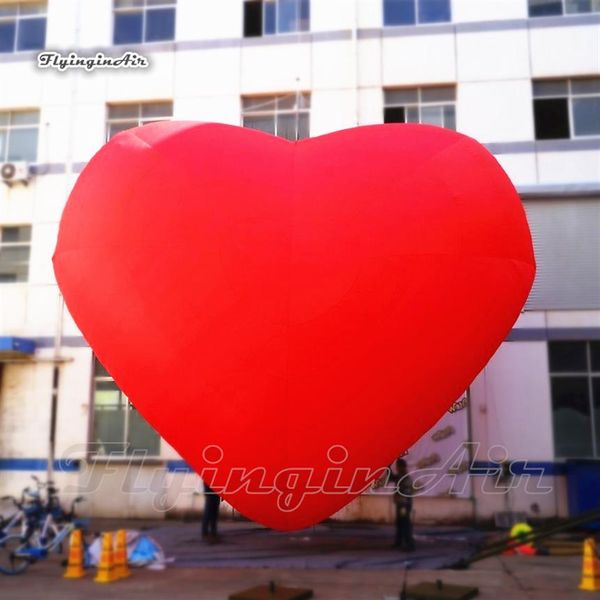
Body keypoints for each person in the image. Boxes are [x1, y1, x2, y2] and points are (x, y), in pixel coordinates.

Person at [389, 458, 415, 551]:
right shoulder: (401, 476)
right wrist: (388, 468)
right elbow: (391, 478)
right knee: (400, 523)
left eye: (398, 467)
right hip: (401, 504)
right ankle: (399, 542)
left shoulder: (405, 477)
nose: (397, 468)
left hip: (404, 505)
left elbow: (405, 491)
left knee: (404, 522)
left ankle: (409, 544)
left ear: (401, 467)